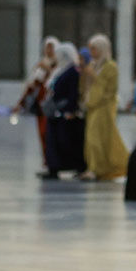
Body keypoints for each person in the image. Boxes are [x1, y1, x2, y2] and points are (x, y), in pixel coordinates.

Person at [81, 34, 129, 181]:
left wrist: (94, 76)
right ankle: (94, 167)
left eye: (94, 49)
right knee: (91, 138)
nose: (92, 53)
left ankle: (99, 168)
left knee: (99, 138)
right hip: (93, 106)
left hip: (105, 107)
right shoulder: (93, 65)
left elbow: (109, 89)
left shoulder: (111, 67)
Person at [42, 42, 86, 179]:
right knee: (54, 142)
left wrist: (70, 110)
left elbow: (73, 93)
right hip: (57, 112)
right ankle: (54, 167)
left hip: (65, 112)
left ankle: (73, 167)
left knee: (67, 142)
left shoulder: (73, 71)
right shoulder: (61, 70)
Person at [15, 37, 59, 168]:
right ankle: (46, 160)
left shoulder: (58, 64)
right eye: (47, 47)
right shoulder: (42, 64)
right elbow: (33, 84)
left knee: (49, 132)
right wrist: (21, 102)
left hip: (51, 103)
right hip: (40, 104)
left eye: (52, 47)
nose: (49, 50)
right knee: (42, 133)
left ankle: (52, 160)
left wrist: (48, 70)